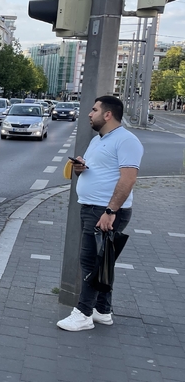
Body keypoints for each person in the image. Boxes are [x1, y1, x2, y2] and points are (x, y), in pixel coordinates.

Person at [57, 95, 144, 332]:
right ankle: (102, 311)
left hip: (105, 211)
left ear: (108, 114)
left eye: (94, 110)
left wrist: (110, 211)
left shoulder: (127, 140)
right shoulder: (98, 140)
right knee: (103, 261)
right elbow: (97, 172)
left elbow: (129, 179)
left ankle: (83, 313)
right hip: (92, 208)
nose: (89, 113)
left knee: (91, 262)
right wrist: (80, 168)